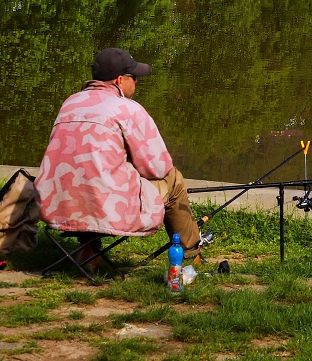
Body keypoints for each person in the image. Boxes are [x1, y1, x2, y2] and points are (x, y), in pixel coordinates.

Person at [35, 47, 202, 261]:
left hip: (56, 207)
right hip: (109, 212)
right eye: (134, 77)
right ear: (120, 80)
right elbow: (159, 167)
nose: (137, 82)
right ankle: (190, 256)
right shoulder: (128, 109)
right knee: (174, 179)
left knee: (87, 176)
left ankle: (89, 252)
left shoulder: (70, 104)